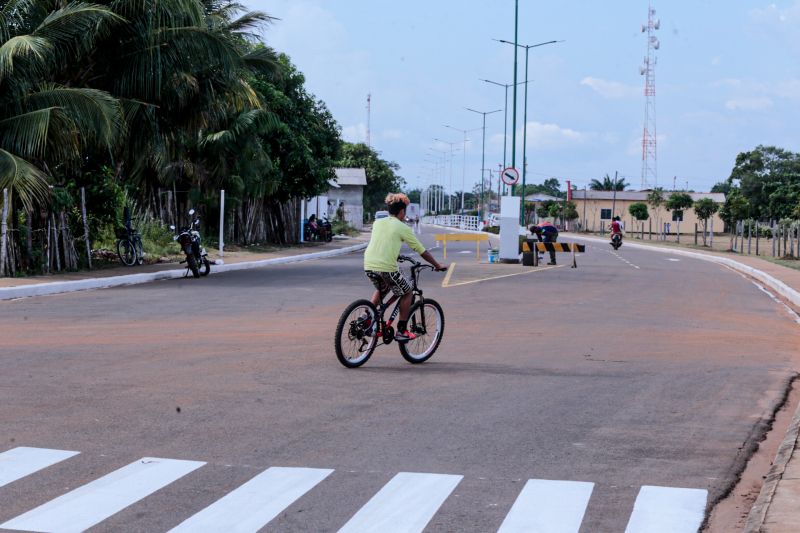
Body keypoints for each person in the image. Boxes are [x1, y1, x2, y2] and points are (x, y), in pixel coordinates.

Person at [363, 193, 446, 342]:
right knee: (407, 291)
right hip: (386, 268)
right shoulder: (403, 227)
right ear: (402, 212)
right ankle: (401, 330)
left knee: (383, 288)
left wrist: (395, 255)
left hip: (369, 265)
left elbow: (384, 242)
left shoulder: (378, 223)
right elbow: (422, 251)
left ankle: (366, 317)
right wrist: (437, 265)